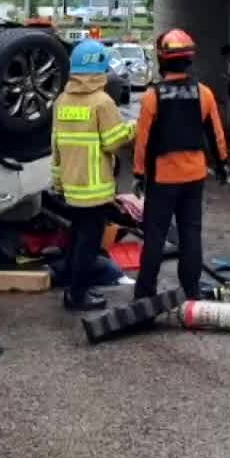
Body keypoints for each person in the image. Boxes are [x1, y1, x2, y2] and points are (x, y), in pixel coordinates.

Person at [132, 28, 228, 301]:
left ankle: (145, 292)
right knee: (191, 233)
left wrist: (139, 173)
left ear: (162, 60)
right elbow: (216, 135)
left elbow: (142, 141)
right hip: (194, 175)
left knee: (155, 236)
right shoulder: (204, 93)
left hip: (163, 178)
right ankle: (192, 289)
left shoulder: (153, 96)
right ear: (189, 60)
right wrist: (222, 165)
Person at [49, 39, 134, 311]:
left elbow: (56, 144)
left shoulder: (62, 100)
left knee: (77, 237)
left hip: (72, 186)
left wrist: (58, 181)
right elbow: (113, 141)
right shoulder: (102, 102)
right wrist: (134, 127)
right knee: (88, 243)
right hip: (95, 188)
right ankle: (78, 295)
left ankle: (73, 287)